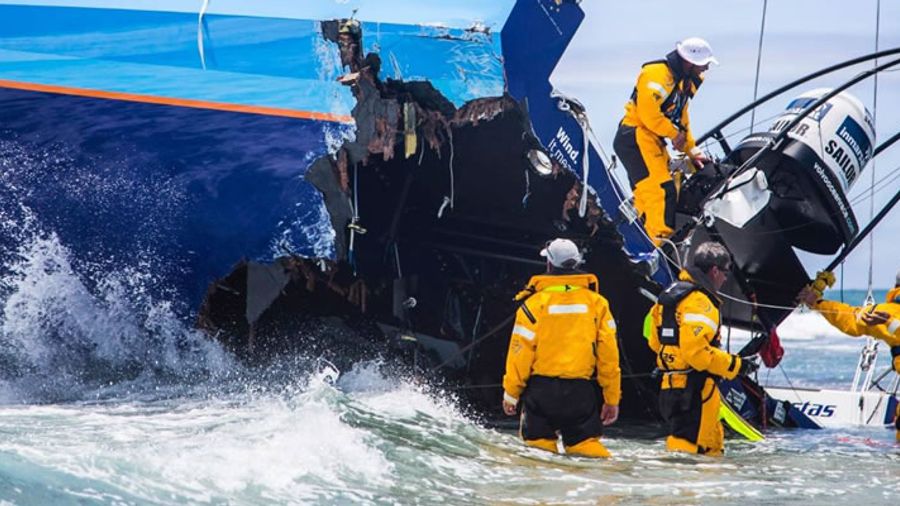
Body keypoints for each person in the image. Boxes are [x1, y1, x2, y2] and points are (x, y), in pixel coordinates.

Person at [501, 238, 621, 458]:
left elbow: (520, 352)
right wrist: (611, 398)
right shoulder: (598, 304)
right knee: (588, 452)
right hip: (580, 394)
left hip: (541, 393)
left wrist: (511, 393)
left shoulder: (534, 304)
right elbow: (609, 356)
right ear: (576, 264)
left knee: (537, 455)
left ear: (549, 265)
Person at [645, 241, 756, 456]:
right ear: (714, 271)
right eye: (725, 272)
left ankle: (709, 489)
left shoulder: (669, 296)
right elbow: (695, 354)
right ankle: (684, 489)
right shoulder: (701, 303)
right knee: (688, 451)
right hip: (695, 390)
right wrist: (736, 365)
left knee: (711, 447)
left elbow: (653, 339)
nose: (725, 279)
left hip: (671, 386)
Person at [613, 37, 716, 246]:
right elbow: (648, 113)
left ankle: (640, 238)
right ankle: (657, 246)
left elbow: (682, 121)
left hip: (652, 140)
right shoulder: (655, 75)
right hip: (636, 137)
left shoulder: (682, 85)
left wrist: (693, 153)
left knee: (666, 183)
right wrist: (672, 133)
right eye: (703, 64)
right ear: (689, 62)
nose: (705, 68)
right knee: (661, 191)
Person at [798, 269, 900, 441]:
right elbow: (852, 318)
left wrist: (816, 302)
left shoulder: (889, 313)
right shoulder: (889, 312)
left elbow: (852, 318)